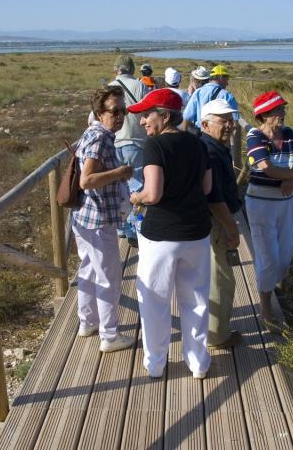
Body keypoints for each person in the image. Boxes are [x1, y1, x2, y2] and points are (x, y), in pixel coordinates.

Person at [128, 89, 213, 379]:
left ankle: (156, 364)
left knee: (154, 301)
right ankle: (198, 363)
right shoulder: (199, 144)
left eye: (146, 115)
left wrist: (136, 197)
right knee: (197, 301)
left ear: (164, 116)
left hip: (162, 236)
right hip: (197, 233)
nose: (142, 122)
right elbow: (206, 189)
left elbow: (153, 193)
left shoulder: (155, 146)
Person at [71, 85, 136, 352]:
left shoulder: (92, 132)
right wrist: (121, 172)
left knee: (87, 268)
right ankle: (109, 336)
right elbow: (87, 180)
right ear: (99, 113)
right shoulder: (101, 138)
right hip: (98, 218)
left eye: (123, 110)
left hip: (83, 215)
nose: (120, 116)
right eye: (114, 111)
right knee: (109, 277)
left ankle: (87, 322)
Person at [244, 91, 293, 327]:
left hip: (287, 203)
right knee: (267, 258)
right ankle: (266, 312)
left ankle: (280, 293)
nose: (283, 114)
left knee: (284, 256)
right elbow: (266, 168)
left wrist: (290, 178)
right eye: (277, 110)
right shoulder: (255, 136)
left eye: (283, 109)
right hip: (262, 204)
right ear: (263, 115)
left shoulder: (290, 134)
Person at [199, 99, 243, 349]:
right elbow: (215, 200)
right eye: (222, 121)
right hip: (215, 223)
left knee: (214, 276)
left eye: (231, 120)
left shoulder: (211, 145)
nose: (229, 125)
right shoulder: (212, 152)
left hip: (208, 223)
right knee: (220, 279)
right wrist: (233, 228)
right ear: (205, 123)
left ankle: (212, 329)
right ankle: (217, 336)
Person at [109, 54, 150, 248]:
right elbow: (148, 110)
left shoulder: (108, 87)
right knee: (137, 185)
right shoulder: (140, 86)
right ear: (132, 69)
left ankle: (121, 227)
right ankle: (136, 226)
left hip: (114, 141)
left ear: (116, 69)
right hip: (137, 141)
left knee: (118, 185)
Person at [183, 64, 240, 131]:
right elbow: (235, 122)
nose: (227, 83)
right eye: (226, 80)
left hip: (199, 135)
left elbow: (186, 117)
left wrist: (183, 137)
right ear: (221, 77)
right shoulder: (227, 96)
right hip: (218, 134)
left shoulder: (198, 92)